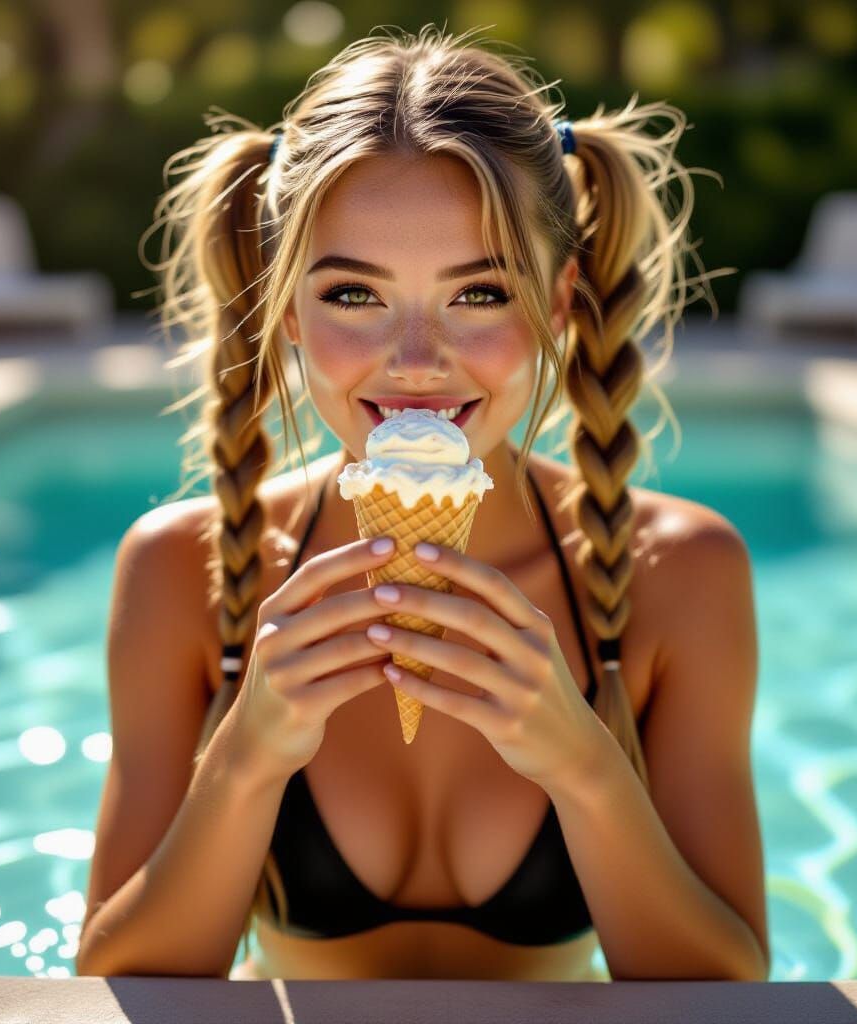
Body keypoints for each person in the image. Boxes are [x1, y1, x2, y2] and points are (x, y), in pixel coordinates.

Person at [76, 24, 769, 983]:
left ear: (559, 300)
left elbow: (732, 989)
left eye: (479, 292)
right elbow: (113, 983)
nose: (413, 360)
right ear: (286, 312)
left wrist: (583, 764)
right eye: (354, 295)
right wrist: (247, 761)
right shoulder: (180, 572)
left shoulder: (679, 574)